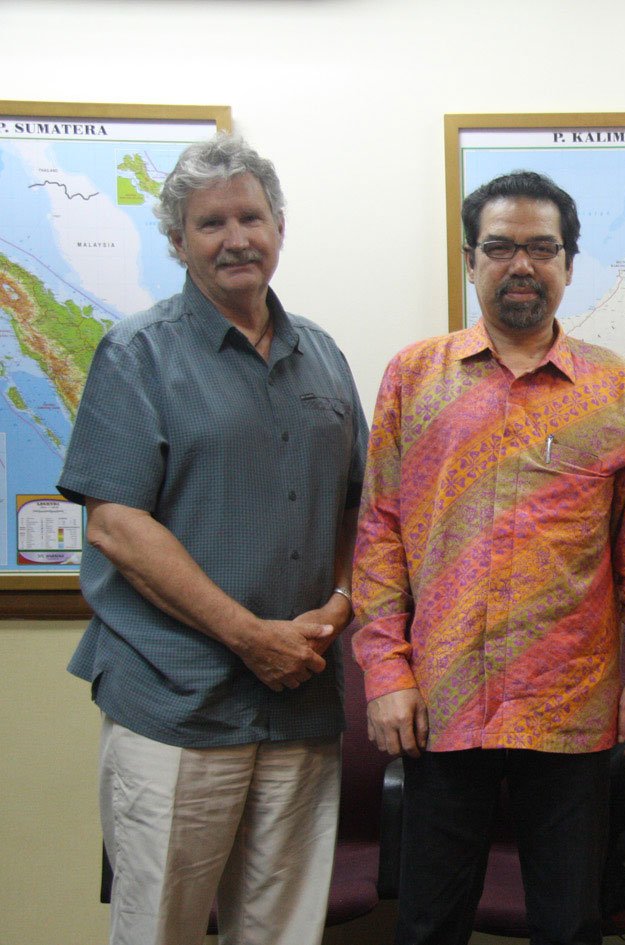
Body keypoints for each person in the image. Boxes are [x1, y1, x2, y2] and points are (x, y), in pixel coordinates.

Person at [352, 170, 625, 945]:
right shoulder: (413, 377)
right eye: (500, 247)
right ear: (470, 260)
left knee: (571, 922)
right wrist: (386, 672)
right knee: (430, 921)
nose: (522, 265)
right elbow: (379, 534)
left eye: (542, 248)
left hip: (572, 702)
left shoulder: (611, 386)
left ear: (569, 264)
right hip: (440, 699)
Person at [59, 134, 367, 945]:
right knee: (159, 925)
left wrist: (336, 606)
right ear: (176, 241)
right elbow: (117, 524)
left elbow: (355, 508)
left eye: (250, 217)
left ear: (278, 227)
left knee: (283, 930)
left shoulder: (325, 357)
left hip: (300, 698)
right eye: (209, 223)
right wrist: (250, 636)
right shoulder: (138, 354)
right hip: (176, 700)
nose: (236, 237)